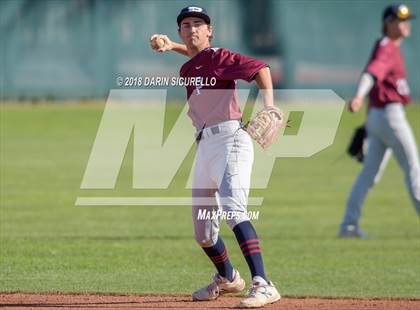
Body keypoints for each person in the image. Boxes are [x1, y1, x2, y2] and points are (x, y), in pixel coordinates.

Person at [150, 5, 281, 308]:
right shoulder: (189, 66)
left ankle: (264, 283)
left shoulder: (220, 56)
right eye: (185, 25)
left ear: (209, 31)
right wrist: (172, 47)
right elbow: (199, 60)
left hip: (230, 142)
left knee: (235, 212)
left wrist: (269, 106)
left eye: (198, 23)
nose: (192, 28)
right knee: (203, 231)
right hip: (204, 147)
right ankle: (229, 277)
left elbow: (261, 68)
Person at [339, 3, 419, 238]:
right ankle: (349, 225)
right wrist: (359, 95)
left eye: (407, 20)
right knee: (414, 168)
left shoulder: (389, 46)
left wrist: (368, 117)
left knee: (369, 174)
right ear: (388, 24)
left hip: (379, 116)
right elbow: (371, 74)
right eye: (400, 20)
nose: (405, 24)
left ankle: (349, 225)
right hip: (390, 116)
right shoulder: (387, 47)